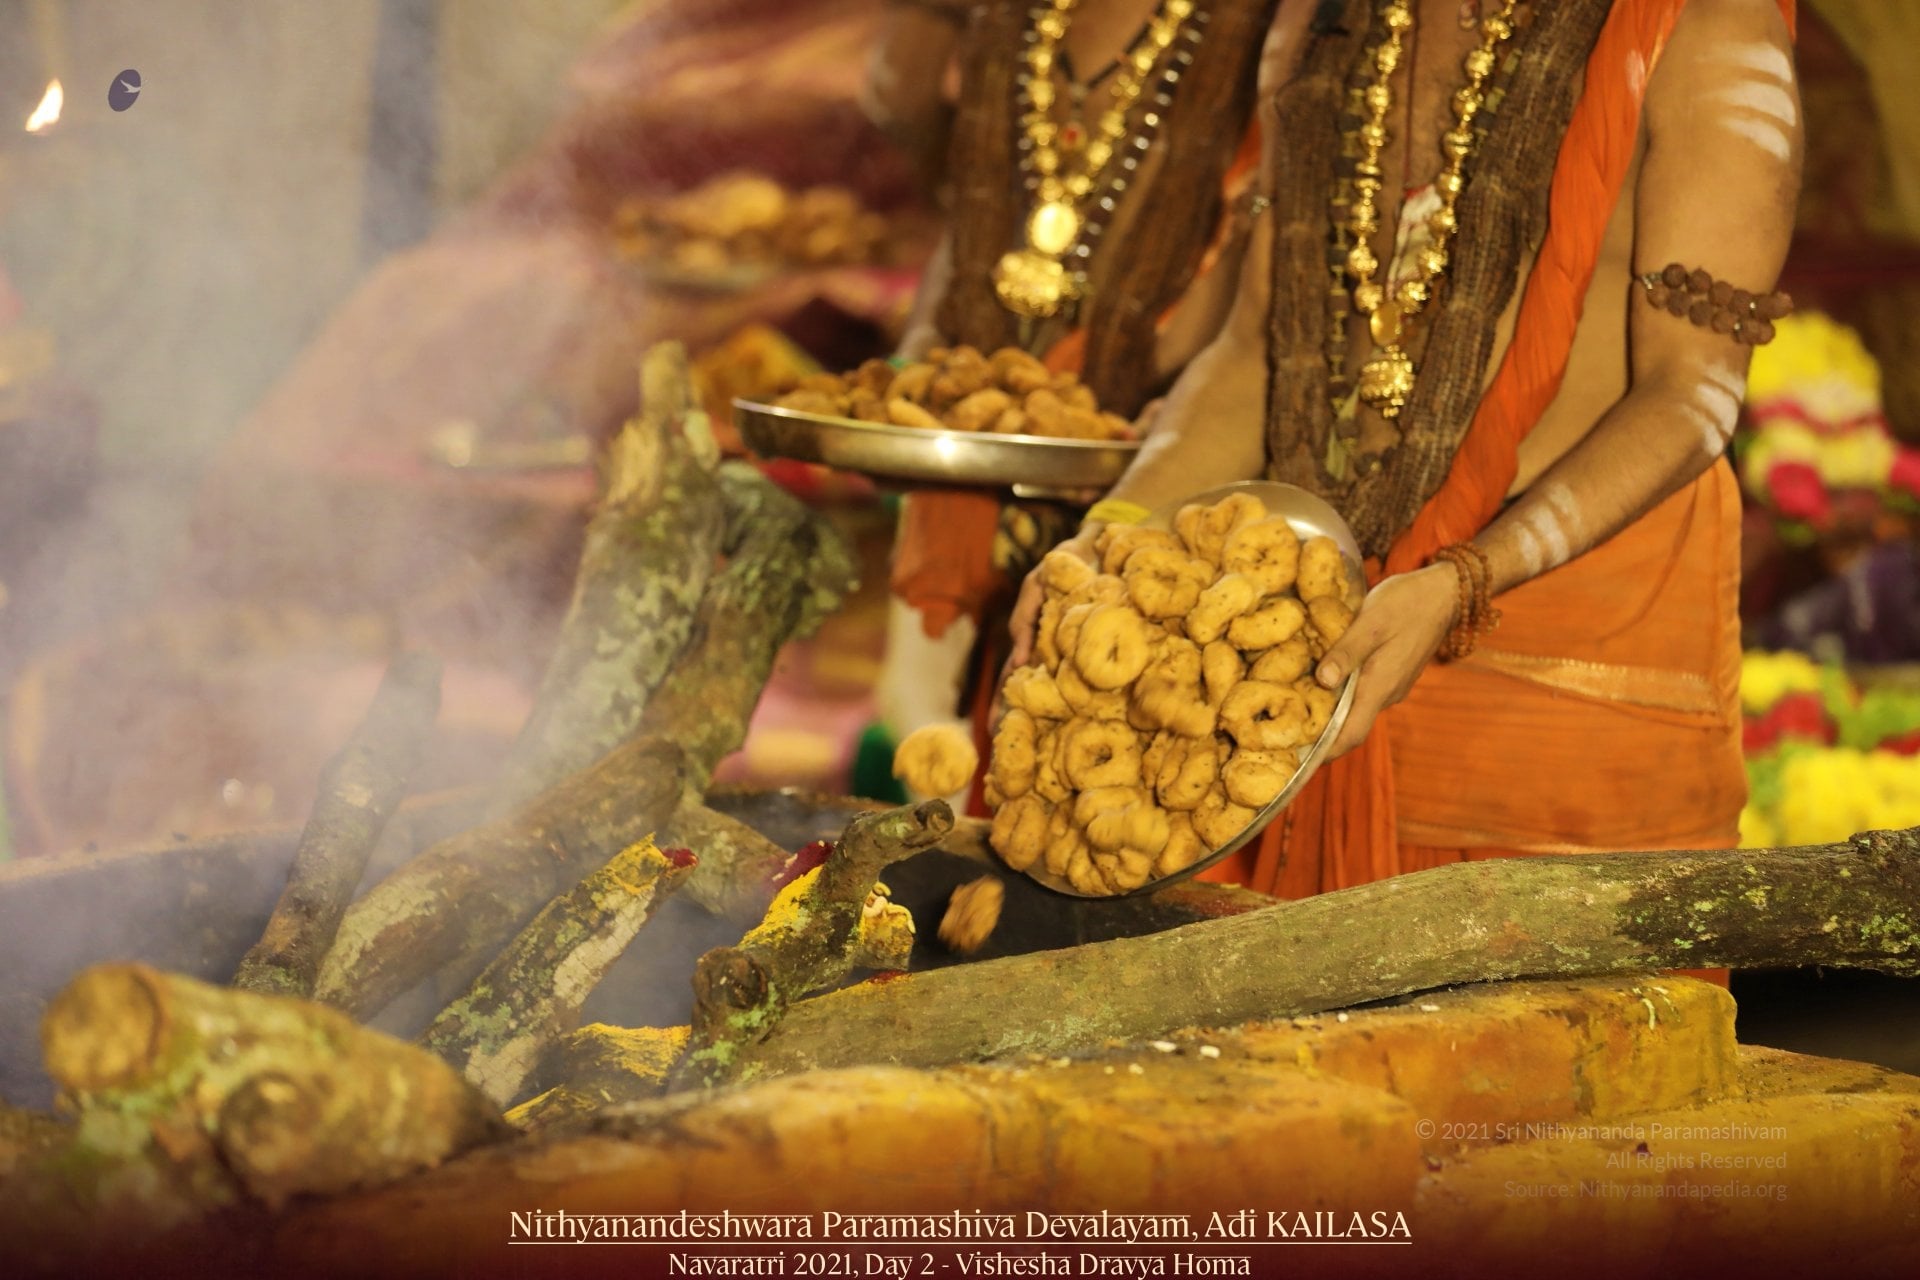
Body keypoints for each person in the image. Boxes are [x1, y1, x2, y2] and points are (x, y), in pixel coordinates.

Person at [1010, 0, 1804, 910]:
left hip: (1566, 673)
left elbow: (1692, 394)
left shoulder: (1703, 26)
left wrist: (1465, 581)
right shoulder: (1323, 23)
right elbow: (1255, 350)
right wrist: (1113, 534)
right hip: (1322, 653)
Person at [861, 0, 1282, 794]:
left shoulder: (1268, 25)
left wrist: (1183, 409)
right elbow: (929, 137)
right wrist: (924, 367)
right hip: (971, 455)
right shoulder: (1010, 18)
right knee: (937, 763)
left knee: (1082, 773)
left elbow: (1259, 239)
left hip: (1158, 465)